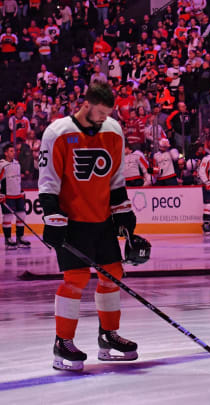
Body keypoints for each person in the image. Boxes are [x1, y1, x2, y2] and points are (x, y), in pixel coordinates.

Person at [38, 83, 138, 371]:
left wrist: (123, 214)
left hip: (102, 218)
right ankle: (63, 342)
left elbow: (116, 178)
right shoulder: (58, 132)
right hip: (73, 221)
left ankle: (108, 337)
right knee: (76, 278)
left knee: (113, 275)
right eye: (100, 112)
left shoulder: (112, 130)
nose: (104, 118)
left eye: (108, 113)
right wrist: (53, 217)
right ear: (85, 104)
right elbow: (48, 180)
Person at [1, 143, 29, 249]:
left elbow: (18, 179)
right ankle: (8, 240)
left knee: (21, 215)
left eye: (14, 151)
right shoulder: (2, 165)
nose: (14, 153)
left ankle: (20, 238)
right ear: (6, 153)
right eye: (11, 151)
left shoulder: (17, 164)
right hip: (7, 195)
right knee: (8, 217)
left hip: (18, 195)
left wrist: (21, 192)